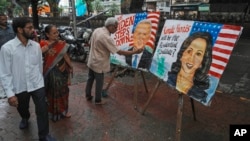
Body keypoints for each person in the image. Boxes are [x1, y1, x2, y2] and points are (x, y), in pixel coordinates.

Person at [0, 17, 56, 141]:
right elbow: (5, 73)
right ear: (20, 30)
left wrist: (40, 81)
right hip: (20, 86)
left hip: (37, 84)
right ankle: (25, 117)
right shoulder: (7, 49)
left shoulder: (36, 46)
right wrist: (10, 94)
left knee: (42, 109)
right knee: (22, 108)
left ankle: (44, 135)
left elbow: (39, 65)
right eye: (29, 28)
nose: (33, 30)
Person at [85, 17, 143, 104]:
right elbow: (119, 52)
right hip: (99, 63)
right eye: (116, 27)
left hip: (92, 60)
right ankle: (98, 100)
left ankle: (88, 95)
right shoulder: (106, 37)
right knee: (99, 82)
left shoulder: (97, 30)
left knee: (90, 78)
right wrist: (135, 51)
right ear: (111, 26)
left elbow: (90, 43)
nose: (116, 29)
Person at [167, 32, 213, 103]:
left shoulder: (201, 96)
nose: (191, 58)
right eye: (189, 51)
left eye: (198, 54)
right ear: (182, 54)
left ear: (203, 62)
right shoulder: (167, 77)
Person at [40, 24, 72, 121]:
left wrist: (70, 66)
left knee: (64, 91)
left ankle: (63, 111)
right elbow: (38, 55)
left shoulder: (61, 43)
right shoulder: (42, 44)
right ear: (47, 34)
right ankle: (54, 113)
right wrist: (48, 46)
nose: (56, 34)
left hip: (62, 71)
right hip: (50, 73)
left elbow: (65, 56)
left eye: (57, 32)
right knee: (52, 93)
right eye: (54, 33)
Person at [0, 13, 15, 99]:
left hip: (13, 53)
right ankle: (4, 91)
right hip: (2, 55)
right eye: (2, 19)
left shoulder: (12, 28)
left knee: (14, 71)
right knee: (4, 72)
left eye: (5, 19)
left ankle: (14, 88)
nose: (5, 21)